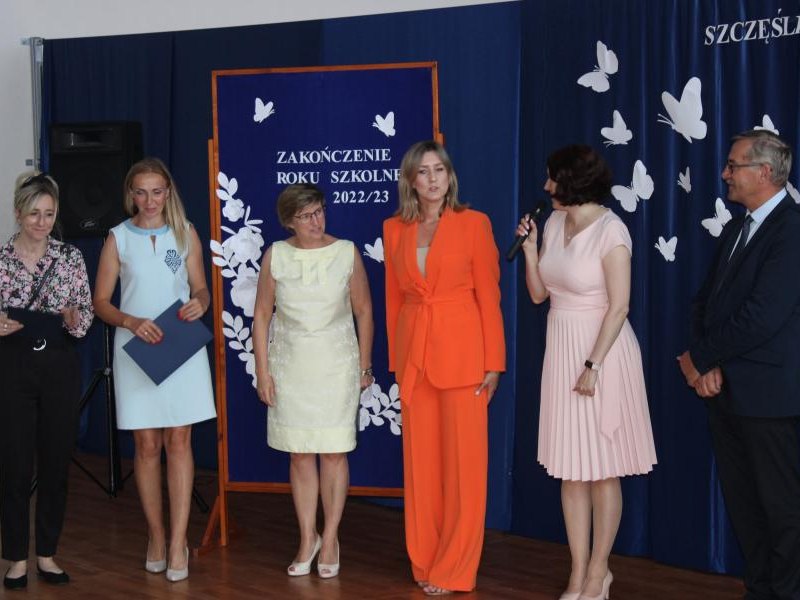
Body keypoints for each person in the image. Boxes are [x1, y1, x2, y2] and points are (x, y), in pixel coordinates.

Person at [517, 145, 656, 600]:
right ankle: (577, 572)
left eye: (552, 178)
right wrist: (531, 252)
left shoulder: (612, 230)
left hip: (603, 353)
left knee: (602, 470)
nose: (545, 186)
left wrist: (593, 365)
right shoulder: (555, 223)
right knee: (570, 468)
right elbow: (539, 296)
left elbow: (620, 306)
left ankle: (599, 571)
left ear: (572, 181)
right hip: (561, 349)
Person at [678, 130, 800, 600]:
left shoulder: (791, 230)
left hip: (768, 398)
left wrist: (700, 358)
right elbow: (704, 304)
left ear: (765, 172)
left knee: (780, 506)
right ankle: (761, 589)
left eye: (734, 165)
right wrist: (705, 363)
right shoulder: (737, 228)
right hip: (725, 392)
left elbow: (762, 317)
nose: (725, 173)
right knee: (745, 505)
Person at [383, 140, 505, 596]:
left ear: (450, 177)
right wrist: (397, 363)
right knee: (421, 470)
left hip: (464, 358)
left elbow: (489, 297)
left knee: (464, 472)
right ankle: (425, 560)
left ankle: (454, 569)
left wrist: (494, 362)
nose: (433, 179)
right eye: (424, 171)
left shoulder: (474, 224)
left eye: (440, 170)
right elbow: (394, 299)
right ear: (411, 181)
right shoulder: (394, 228)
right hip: (414, 360)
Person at [93, 157, 216, 582]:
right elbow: (101, 302)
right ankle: (157, 537)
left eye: (157, 192)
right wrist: (130, 322)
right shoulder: (117, 238)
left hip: (180, 346)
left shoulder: (186, 232)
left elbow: (201, 288)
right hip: (136, 349)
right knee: (146, 445)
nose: (149, 200)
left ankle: (179, 541)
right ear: (131, 194)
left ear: (168, 193)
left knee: (179, 439)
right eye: (141, 192)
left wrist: (200, 302)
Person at [252, 183, 374, 579]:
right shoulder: (276, 255)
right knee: (300, 454)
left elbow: (364, 311)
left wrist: (365, 366)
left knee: (334, 453)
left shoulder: (346, 252)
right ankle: (308, 537)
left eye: (319, 211)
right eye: (305, 216)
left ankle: (332, 536)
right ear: (289, 221)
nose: (315, 221)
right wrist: (263, 371)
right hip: (290, 367)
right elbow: (261, 316)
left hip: (337, 365)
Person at [0, 173, 93, 589]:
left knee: (56, 463)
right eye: (34, 213)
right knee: (14, 464)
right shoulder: (2, 260)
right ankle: (16, 558)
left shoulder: (70, 258)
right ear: (18, 212)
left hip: (58, 366)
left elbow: (85, 314)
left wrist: (73, 319)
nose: (42, 222)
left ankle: (47, 555)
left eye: (49, 214)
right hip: (12, 367)